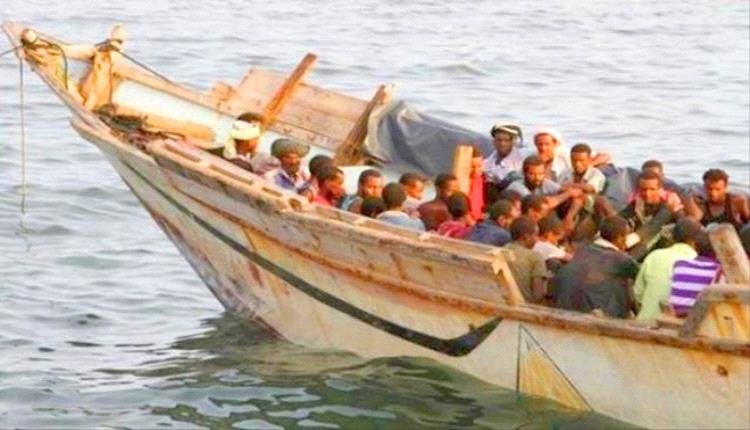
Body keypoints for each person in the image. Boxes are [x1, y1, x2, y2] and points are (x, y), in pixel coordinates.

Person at [552, 216, 640, 318]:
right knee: (622, 282)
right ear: (620, 238)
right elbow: (642, 274)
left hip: (565, 303)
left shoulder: (582, 249)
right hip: (592, 310)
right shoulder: (621, 259)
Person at [633, 217, 703, 320]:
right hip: (675, 326)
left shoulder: (654, 255)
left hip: (645, 321)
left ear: (673, 236)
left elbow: (638, 293)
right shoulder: (699, 264)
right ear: (697, 240)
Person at [618, 170, 679, 257]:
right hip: (642, 241)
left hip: (665, 244)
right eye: (643, 190)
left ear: (660, 189)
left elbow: (655, 224)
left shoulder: (670, 204)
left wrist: (628, 241)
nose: (647, 194)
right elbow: (620, 217)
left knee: (655, 233)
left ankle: (628, 260)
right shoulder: (638, 203)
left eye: (652, 189)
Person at [668, 232, 721, 317]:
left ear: (694, 246)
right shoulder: (717, 270)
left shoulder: (679, 264)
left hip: (676, 313)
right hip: (699, 317)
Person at [507, 156, 582, 212]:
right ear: (524, 173)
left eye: (540, 174)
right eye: (532, 174)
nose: (537, 178)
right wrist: (568, 193)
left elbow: (566, 190)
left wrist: (569, 217)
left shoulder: (544, 182)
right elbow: (542, 206)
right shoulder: (516, 186)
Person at [503, 216, 549, 303]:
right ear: (526, 237)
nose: (537, 240)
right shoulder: (535, 257)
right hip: (524, 306)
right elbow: (538, 295)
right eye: (536, 235)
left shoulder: (502, 250)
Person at [483, 124, 524, 189]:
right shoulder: (486, 163)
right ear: (493, 141)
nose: (502, 144)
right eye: (498, 140)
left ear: (513, 142)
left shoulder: (522, 160)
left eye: (506, 140)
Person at [468, 146, 486, 221]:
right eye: (472, 167)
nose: (476, 171)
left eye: (479, 166)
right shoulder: (460, 183)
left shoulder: (484, 181)